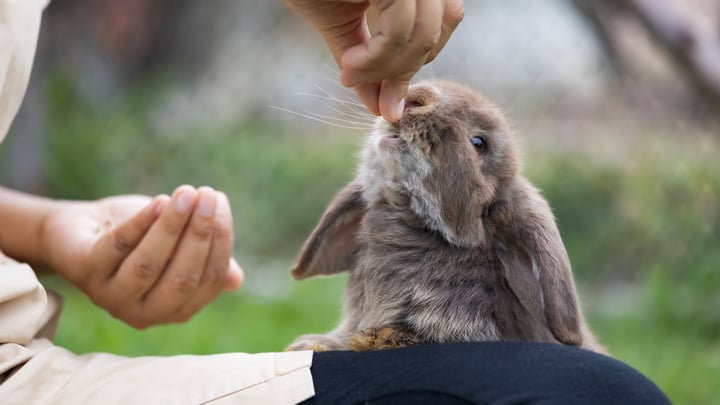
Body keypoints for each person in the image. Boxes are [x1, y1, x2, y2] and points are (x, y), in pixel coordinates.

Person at [0, 0, 669, 403]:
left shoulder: (514, 222)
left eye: (475, 141)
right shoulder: (377, 218)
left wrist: (44, 230)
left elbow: (563, 326)